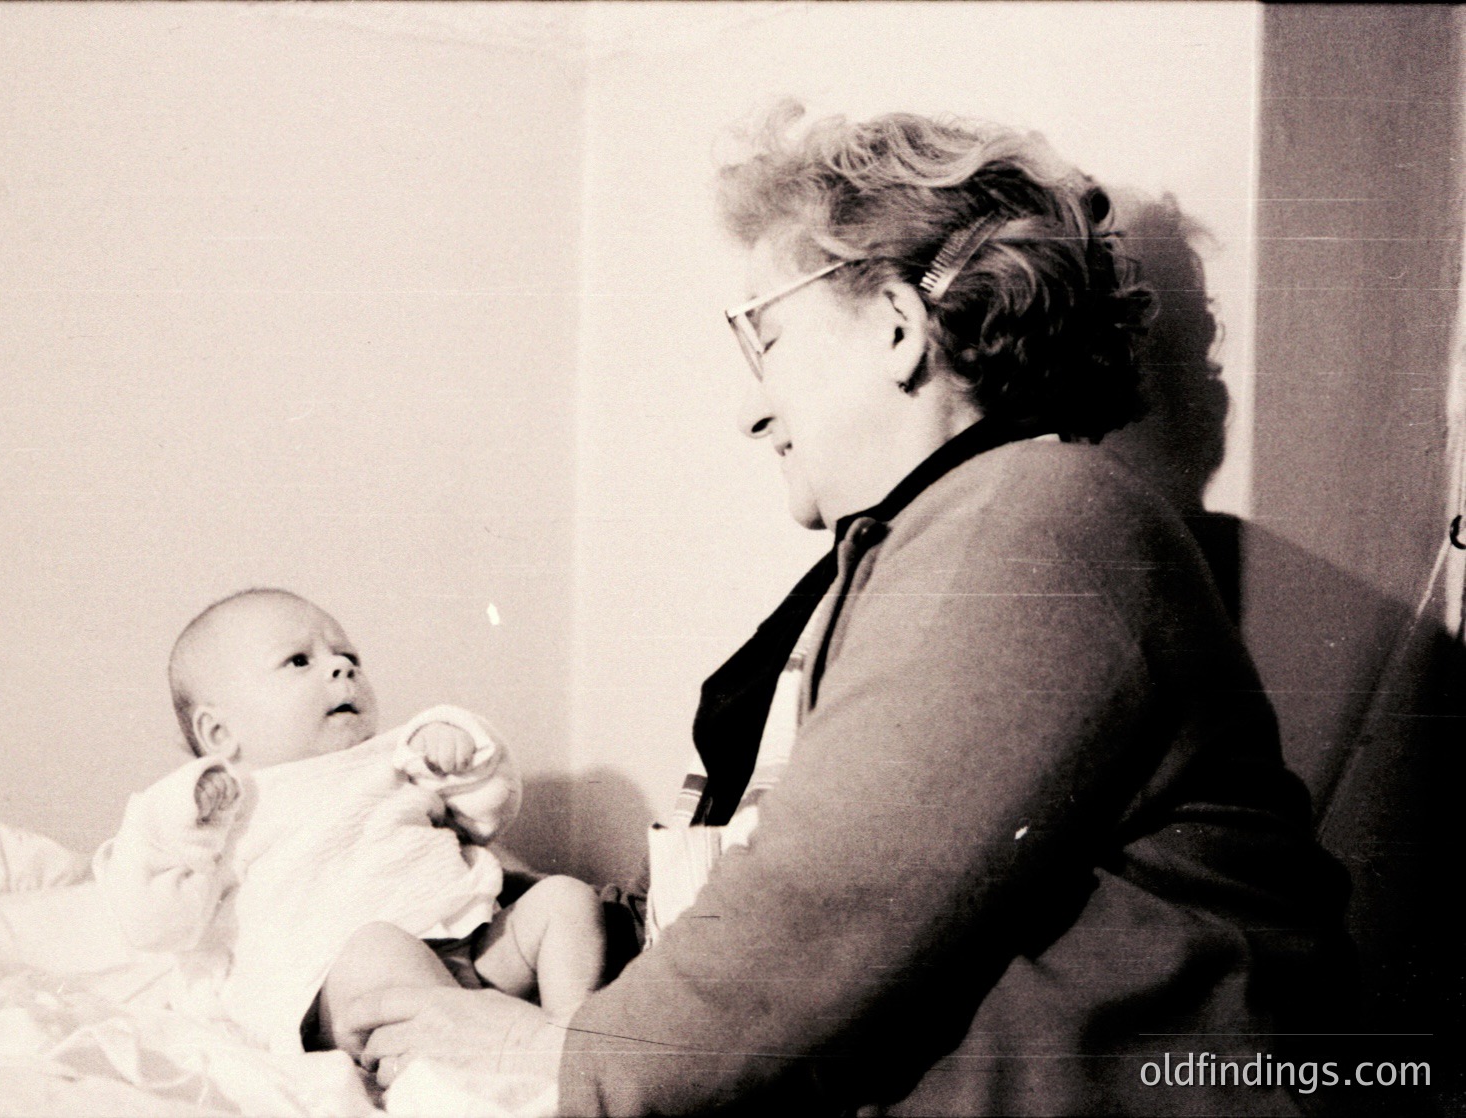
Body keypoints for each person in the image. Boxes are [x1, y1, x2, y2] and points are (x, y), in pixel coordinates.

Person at [345, 106, 1354, 1116]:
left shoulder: (1035, 519)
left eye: (764, 335)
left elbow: (822, 906)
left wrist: (556, 1054)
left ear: (897, 327)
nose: (751, 408)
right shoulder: (955, 529)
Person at [93, 588, 606, 1059]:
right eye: (299, 660)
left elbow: (489, 808)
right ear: (219, 731)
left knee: (564, 898)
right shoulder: (218, 803)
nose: (341, 667)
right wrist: (189, 824)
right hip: (346, 986)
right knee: (378, 944)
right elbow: (151, 921)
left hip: (474, 950)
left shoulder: (399, 752)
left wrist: (457, 744)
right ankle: (455, 1077)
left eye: (349, 657)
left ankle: (570, 1044)